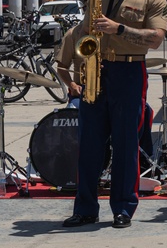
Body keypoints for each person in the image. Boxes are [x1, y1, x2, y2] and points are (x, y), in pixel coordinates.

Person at [62, 0, 167, 229]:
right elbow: (83, 34)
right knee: (89, 145)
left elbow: (156, 39)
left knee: (124, 144)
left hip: (129, 72)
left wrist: (118, 28)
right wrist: (79, 66)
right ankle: (85, 208)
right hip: (97, 72)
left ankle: (123, 208)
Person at [55, 24, 155, 166]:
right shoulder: (72, 34)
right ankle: (85, 163)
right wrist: (72, 85)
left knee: (144, 110)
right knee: (76, 110)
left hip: (113, 88)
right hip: (84, 90)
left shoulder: (112, 31)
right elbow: (61, 67)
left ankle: (143, 160)